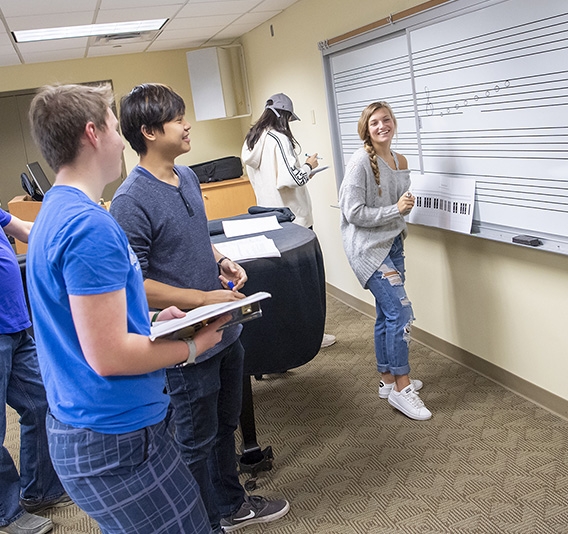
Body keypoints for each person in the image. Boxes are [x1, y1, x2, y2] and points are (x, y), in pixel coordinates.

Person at [25, 83, 227, 533]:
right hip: (113, 435)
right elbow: (110, 355)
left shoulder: (54, 211)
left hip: (89, 424)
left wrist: (154, 320)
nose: (122, 138)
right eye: (116, 126)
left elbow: (84, 324)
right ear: (93, 134)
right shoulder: (90, 226)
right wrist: (193, 347)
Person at [110, 83, 290, 533]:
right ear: (150, 132)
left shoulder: (186, 175)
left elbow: (197, 239)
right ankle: (199, 523)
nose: (187, 125)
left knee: (224, 427)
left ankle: (230, 505)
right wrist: (205, 298)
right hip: (187, 343)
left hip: (225, 330)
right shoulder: (130, 200)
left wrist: (222, 260)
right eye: (177, 120)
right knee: (193, 442)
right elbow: (139, 286)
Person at [338, 101, 430, 421]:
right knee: (401, 312)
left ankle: (388, 380)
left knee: (386, 314)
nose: (382, 126)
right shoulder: (360, 161)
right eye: (374, 122)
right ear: (366, 129)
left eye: (386, 120)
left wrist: (402, 209)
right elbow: (352, 212)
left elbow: (398, 204)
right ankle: (403, 389)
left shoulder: (399, 159)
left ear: (394, 123)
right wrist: (396, 210)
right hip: (367, 249)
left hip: (392, 245)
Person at [242, 93, 336, 349]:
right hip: (295, 222)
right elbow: (291, 178)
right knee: (306, 286)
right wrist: (308, 165)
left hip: (270, 220)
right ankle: (312, 337)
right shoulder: (278, 138)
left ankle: (285, 339)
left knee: (282, 285)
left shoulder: (252, 140)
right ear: (284, 116)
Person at [1, 209, 70, 534]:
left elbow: (27, 230)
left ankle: (40, 491)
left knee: (42, 403)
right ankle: (7, 513)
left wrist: (68, 231)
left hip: (14, 325)